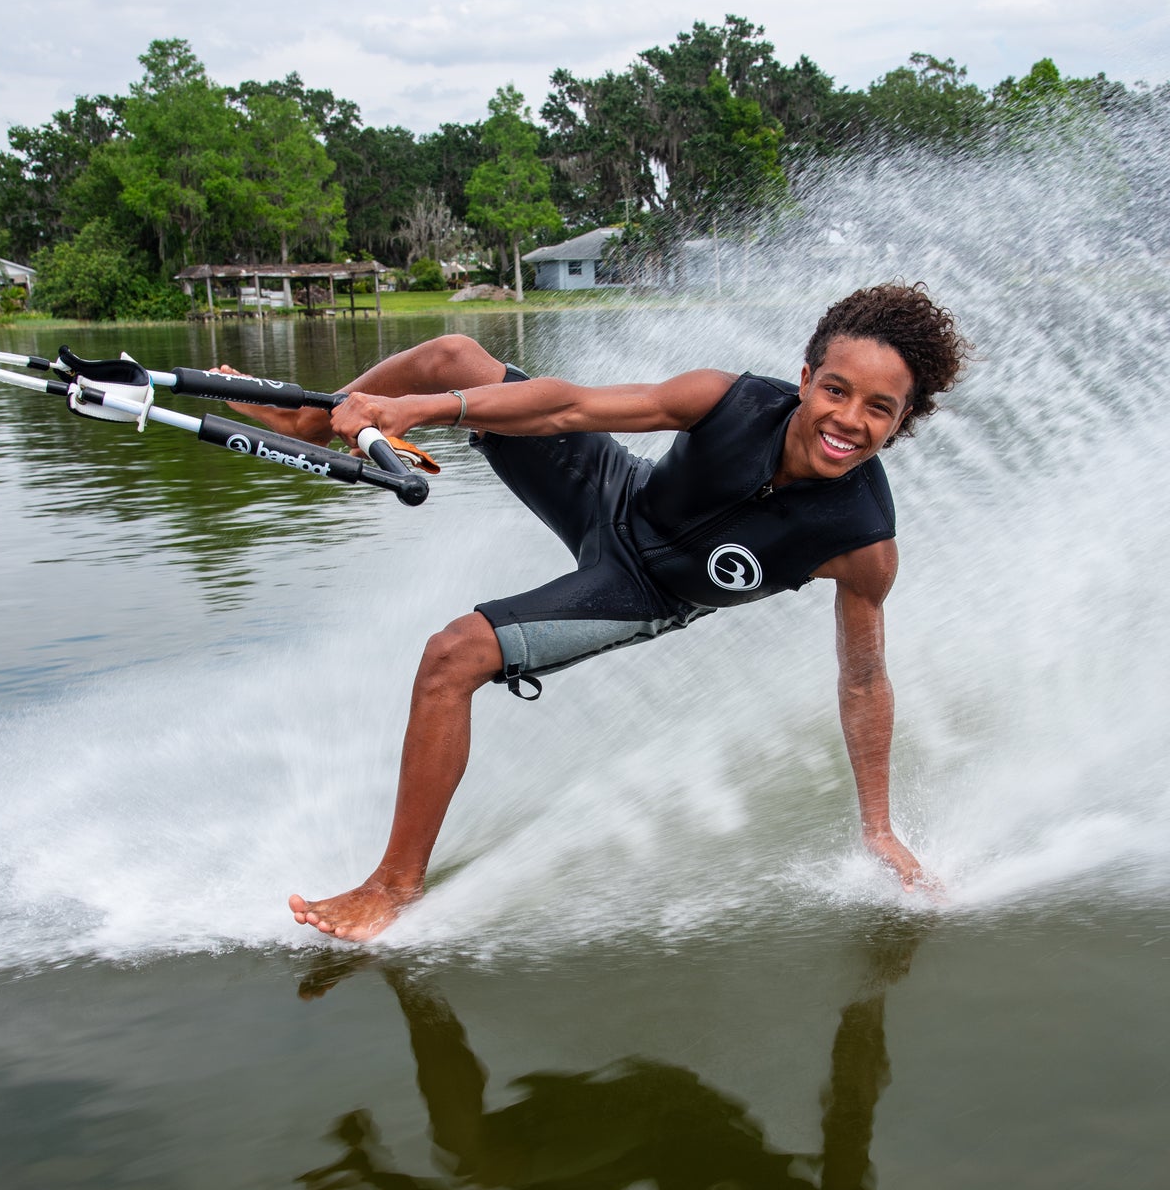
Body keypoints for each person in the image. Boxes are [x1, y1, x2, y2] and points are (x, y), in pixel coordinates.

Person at [224, 282, 969, 938]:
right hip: (613, 491)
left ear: (902, 421)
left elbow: (864, 680)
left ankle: (392, 888)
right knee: (452, 356)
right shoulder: (730, 399)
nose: (848, 419)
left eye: (879, 408)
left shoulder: (861, 541)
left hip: (646, 593)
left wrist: (879, 827)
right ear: (805, 380)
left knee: (452, 655)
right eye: (836, 390)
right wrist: (422, 408)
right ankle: (309, 422)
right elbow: (571, 406)